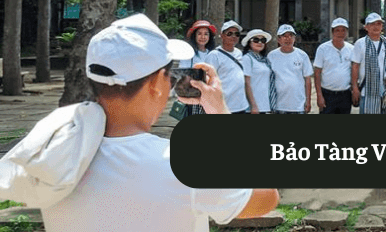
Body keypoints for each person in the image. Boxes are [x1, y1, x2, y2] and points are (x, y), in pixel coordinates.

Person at [0, 14, 279, 231]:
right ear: (157, 83)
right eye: (168, 75)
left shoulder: (56, 153)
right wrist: (221, 115)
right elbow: (266, 197)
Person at [351, 12, 386, 114]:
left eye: (378, 24)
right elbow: (355, 67)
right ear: (366, 27)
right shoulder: (360, 44)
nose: (375, 27)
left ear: (382, 26)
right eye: (372, 24)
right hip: (367, 92)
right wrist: (355, 88)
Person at [267, 24, 313, 114]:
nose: (288, 39)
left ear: (294, 38)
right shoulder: (271, 56)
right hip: (278, 105)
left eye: (290, 36)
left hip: (298, 105)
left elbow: (308, 79)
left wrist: (308, 101)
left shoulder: (302, 55)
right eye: (284, 36)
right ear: (278, 39)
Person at [205, 19, 248, 114]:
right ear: (222, 35)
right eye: (229, 33)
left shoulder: (239, 53)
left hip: (241, 105)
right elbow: (208, 80)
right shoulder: (214, 55)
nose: (233, 36)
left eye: (236, 34)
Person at [313, 17, 354, 114]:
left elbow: (354, 70)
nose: (340, 33)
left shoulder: (351, 49)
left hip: (345, 95)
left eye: (343, 30)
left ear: (347, 32)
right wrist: (319, 96)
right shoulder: (322, 49)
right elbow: (317, 73)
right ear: (332, 32)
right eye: (337, 30)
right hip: (327, 94)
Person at [179, 19, 217, 116]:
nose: (203, 37)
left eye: (206, 34)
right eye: (199, 33)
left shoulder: (213, 54)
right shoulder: (188, 54)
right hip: (194, 96)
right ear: (194, 36)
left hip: (210, 96)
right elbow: (183, 74)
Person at [241, 29, 274, 114]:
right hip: (252, 108)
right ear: (249, 43)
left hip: (265, 106)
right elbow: (246, 83)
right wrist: (253, 105)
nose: (260, 43)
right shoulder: (247, 59)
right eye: (256, 40)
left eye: (262, 40)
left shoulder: (265, 61)